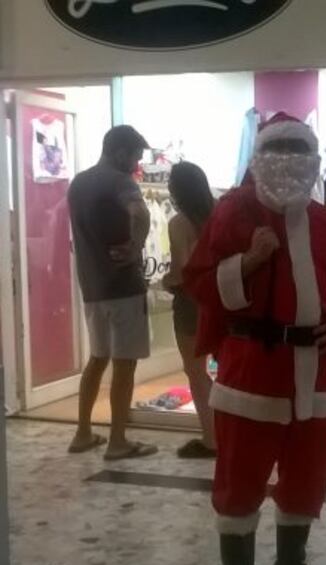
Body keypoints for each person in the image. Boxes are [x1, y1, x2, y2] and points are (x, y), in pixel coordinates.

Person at [182, 113, 326, 565]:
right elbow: (197, 280)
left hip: (315, 379)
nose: (287, 159)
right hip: (251, 377)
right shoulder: (231, 214)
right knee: (239, 484)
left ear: (313, 161)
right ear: (259, 157)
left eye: (297, 149)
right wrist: (246, 261)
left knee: (306, 479)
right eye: (277, 149)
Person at [67, 125, 158, 461]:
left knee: (97, 358)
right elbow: (142, 213)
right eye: (135, 155)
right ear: (120, 151)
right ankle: (118, 440)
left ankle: (82, 433)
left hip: (92, 287)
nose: (136, 163)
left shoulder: (79, 182)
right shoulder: (120, 182)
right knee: (124, 365)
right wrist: (135, 247)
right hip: (122, 287)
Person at [161, 162, 217, 458]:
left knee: (196, 373)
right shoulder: (221, 213)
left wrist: (165, 281)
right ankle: (234, 432)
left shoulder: (178, 224)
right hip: (223, 298)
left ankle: (211, 439)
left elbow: (182, 272)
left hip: (191, 304)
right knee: (231, 370)